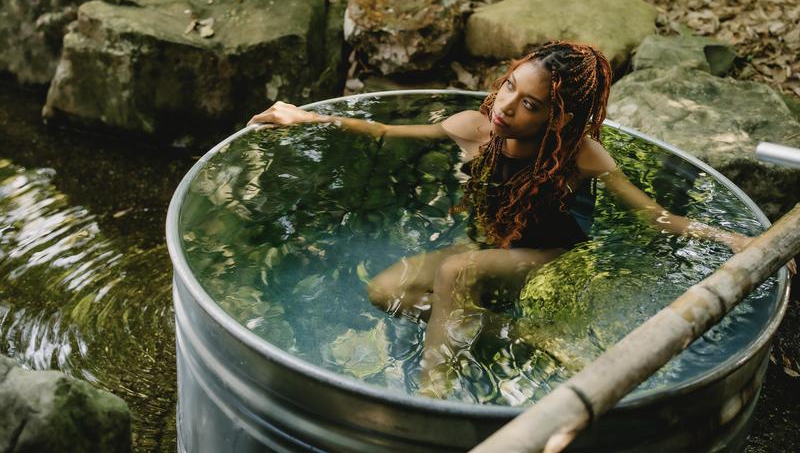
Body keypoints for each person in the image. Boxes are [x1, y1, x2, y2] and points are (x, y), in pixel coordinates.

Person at [247, 41, 753, 397]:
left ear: (557, 117)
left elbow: (656, 216)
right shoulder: (473, 128)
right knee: (384, 291)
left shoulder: (583, 156)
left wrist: (731, 238)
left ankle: (432, 394)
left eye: (529, 103)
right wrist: (309, 118)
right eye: (509, 85)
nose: (506, 105)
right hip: (493, 246)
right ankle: (521, 335)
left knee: (455, 273)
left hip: (547, 258)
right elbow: (382, 131)